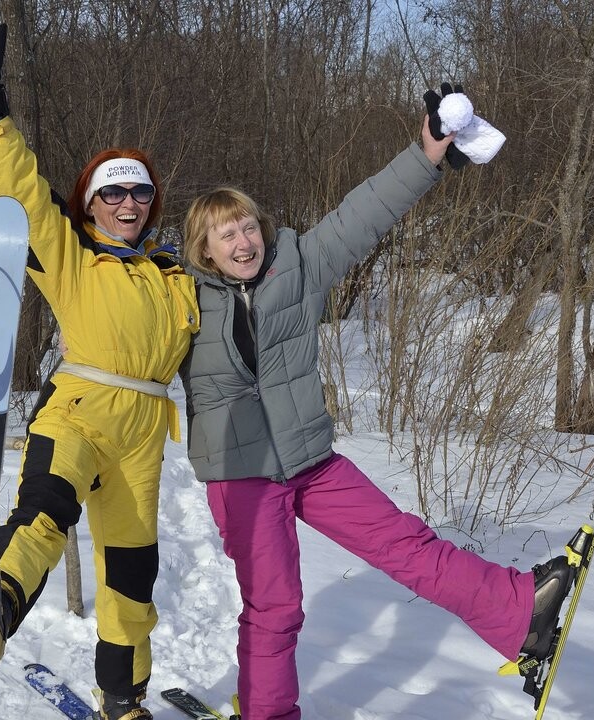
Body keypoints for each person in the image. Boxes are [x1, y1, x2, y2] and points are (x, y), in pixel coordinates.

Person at [178, 111, 573, 720]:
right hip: (241, 477)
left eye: (248, 226)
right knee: (275, 607)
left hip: (311, 461)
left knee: (406, 543)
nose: (243, 242)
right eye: (225, 234)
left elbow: (361, 214)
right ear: (204, 248)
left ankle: (520, 608)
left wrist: (426, 155)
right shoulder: (177, 296)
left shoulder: (297, 266)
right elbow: (125, 333)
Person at [0, 14, 199, 720]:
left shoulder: (174, 271)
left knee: (131, 575)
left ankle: (123, 695)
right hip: (80, 410)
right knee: (46, 514)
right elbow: (23, 190)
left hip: (144, 436)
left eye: (139, 192)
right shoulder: (72, 251)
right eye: (112, 193)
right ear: (91, 201)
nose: (127, 203)